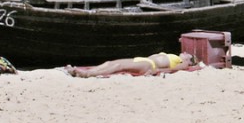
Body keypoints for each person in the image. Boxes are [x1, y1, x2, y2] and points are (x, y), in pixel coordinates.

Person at [65, 51, 198, 78]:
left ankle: (87, 74)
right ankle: (79, 70)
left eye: (188, 55)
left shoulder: (183, 62)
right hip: (142, 59)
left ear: (189, 60)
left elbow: (175, 68)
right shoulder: (173, 55)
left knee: (118, 67)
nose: (185, 52)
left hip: (149, 65)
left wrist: (157, 70)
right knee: (109, 62)